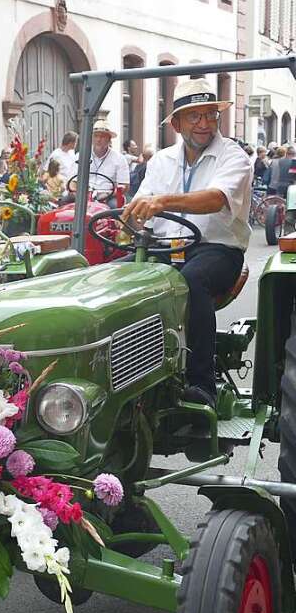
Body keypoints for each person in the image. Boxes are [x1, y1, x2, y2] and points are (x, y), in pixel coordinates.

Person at [124, 76, 250, 410]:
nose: (204, 123)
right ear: (177, 124)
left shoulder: (233, 157)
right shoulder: (161, 160)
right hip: (165, 248)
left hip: (218, 250)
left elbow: (215, 199)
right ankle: (129, 375)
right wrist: (131, 217)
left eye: (210, 114)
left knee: (190, 280)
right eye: (194, 116)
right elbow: (140, 209)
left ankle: (202, 384)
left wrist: (162, 202)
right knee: (117, 279)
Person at [86, 120, 131, 200]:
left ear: (109, 139)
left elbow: (125, 185)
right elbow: (72, 181)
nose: (98, 139)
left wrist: (108, 194)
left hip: (109, 196)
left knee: (114, 208)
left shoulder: (119, 158)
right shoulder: (81, 156)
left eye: (102, 136)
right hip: (84, 195)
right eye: (96, 136)